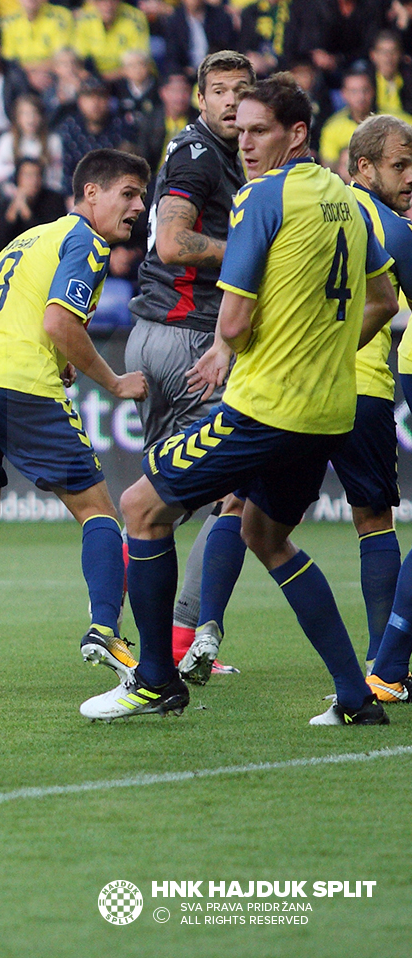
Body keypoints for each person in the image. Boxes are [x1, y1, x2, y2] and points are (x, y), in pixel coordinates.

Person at [102, 73, 398, 725]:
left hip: (265, 408)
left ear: (298, 133)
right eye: (239, 131)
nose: (245, 144)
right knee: (267, 537)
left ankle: (155, 680)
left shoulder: (262, 197)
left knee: (140, 506)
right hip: (327, 411)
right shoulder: (350, 203)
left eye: (260, 130)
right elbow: (382, 300)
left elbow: (233, 323)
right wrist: (327, 351)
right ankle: (357, 695)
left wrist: (237, 347)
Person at [0, 148, 150, 697]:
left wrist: (52, 350)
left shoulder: (25, 242)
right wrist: (114, 381)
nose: (139, 206)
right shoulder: (85, 241)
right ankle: (103, 627)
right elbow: (58, 322)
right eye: (129, 193)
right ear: (90, 193)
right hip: (18, 383)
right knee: (98, 510)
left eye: (142, 197)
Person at [189, 114, 403, 685]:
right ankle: (382, 665)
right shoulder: (383, 225)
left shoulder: (300, 205)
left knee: (236, 509)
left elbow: (252, 290)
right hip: (360, 390)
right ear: (363, 166)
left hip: (286, 391)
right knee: (373, 520)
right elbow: (384, 301)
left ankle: (206, 628)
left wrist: (225, 347)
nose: (409, 178)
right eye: (400, 166)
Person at [121, 51, 255, 667]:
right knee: (237, 490)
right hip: (191, 340)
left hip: (155, 333)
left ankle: (131, 631)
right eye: (219, 91)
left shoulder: (218, 155)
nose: (230, 101)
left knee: (162, 494)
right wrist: (253, 254)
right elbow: (174, 243)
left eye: (241, 91)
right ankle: (180, 639)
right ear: (200, 101)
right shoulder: (199, 156)